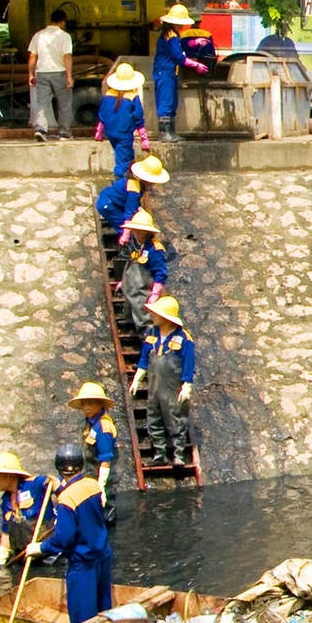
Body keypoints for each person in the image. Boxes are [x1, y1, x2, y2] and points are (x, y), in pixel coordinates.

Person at [35, 442, 113, 623]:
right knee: (104, 612)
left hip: (83, 565)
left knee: (83, 620)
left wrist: (40, 547)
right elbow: (83, 509)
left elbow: (63, 539)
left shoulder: (66, 500)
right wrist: (59, 488)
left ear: (59, 469)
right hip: (102, 556)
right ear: (81, 465)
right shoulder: (93, 485)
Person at [131, 294, 195, 468]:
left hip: (173, 387)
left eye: (156, 314)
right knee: (154, 417)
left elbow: (189, 363)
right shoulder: (151, 335)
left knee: (176, 417)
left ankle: (178, 454)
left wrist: (186, 386)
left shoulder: (184, 338)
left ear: (166, 318)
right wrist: (137, 379)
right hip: (155, 386)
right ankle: (159, 453)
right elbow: (144, 359)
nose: (153, 316)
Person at [0, 451, 54, 568]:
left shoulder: (35, 485)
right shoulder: (6, 501)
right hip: (26, 556)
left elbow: (57, 484)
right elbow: (6, 533)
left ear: (8, 476)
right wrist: (0, 559)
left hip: (49, 553)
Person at [152, 4, 206, 133]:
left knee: (171, 102)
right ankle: (166, 134)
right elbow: (179, 57)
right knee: (166, 102)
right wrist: (196, 65)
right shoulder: (171, 36)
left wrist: (194, 43)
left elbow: (180, 47)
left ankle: (171, 132)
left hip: (168, 72)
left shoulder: (172, 34)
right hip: (165, 72)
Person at [118, 209, 170, 335]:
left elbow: (160, 273)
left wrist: (154, 293)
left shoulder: (155, 250)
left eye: (139, 231)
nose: (136, 233)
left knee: (144, 319)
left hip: (143, 292)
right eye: (134, 230)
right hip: (131, 289)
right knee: (129, 313)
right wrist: (123, 282)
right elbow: (131, 264)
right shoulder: (137, 245)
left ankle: (148, 344)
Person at [27, 9, 74, 142]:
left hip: (41, 72)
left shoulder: (38, 35)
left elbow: (32, 56)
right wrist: (69, 75)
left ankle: (41, 129)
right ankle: (64, 132)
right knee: (64, 103)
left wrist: (31, 74)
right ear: (62, 22)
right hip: (60, 73)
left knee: (43, 103)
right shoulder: (65, 36)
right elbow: (67, 56)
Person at [97, 63, 148, 183]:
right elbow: (138, 118)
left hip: (110, 133)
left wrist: (99, 132)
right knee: (122, 158)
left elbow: (103, 114)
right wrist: (144, 138)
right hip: (124, 134)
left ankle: (130, 173)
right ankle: (119, 181)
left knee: (126, 154)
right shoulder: (132, 97)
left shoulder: (108, 95)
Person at [96, 153, 168, 233]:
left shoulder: (133, 180)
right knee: (126, 229)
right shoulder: (134, 189)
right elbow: (130, 210)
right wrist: (127, 231)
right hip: (109, 205)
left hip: (110, 198)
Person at [70, 381, 119, 493]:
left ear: (100, 404)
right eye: (83, 404)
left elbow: (106, 459)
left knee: (106, 507)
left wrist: (100, 488)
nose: (86, 408)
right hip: (91, 474)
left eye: (91, 403)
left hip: (103, 477)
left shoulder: (103, 428)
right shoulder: (90, 423)